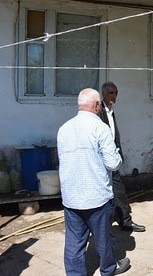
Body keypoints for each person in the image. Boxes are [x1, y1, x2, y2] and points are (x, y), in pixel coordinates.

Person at [57, 88, 130, 275]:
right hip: (96, 197)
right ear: (97, 105)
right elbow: (113, 164)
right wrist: (119, 158)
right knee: (103, 239)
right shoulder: (100, 128)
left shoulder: (63, 129)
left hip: (71, 197)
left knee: (74, 243)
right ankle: (108, 269)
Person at [99, 81, 146, 232]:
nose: (114, 96)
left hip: (112, 158)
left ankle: (125, 220)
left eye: (116, 92)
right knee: (104, 194)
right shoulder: (99, 111)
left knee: (118, 190)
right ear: (103, 94)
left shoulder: (111, 111)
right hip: (101, 160)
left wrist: (118, 152)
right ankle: (106, 224)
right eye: (111, 93)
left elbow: (113, 135)